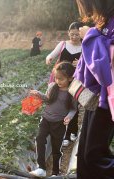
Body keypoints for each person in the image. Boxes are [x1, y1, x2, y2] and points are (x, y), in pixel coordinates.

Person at [74, 0, 114, 178]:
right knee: (84, 154)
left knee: (94, 156)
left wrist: (90, 35)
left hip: (107, 99)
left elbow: (103, 68)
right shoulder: (105, 21)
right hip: (97, 96)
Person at [29, 62, 77, 177]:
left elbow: (73, 109)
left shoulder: (72, 92)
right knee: (40, 138)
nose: (58, 81)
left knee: (56, 148)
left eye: (61, 79)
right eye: (56, 78)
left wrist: (69, 117)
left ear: (70, 78)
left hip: (59, 123)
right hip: (46, 119)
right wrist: (39, 94)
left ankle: (55, 172)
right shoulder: (52, 87)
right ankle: (41, 167)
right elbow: (47, 99)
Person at [46, 22, 83, 147]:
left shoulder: (85, 47)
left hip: (75, 81)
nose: (74, 37)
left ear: (81, 34)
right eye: (72, 34)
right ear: (68, 33)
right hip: (60, 81)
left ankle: (74, 130)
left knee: (73, 106)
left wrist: (80, 64)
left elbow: (89, 65)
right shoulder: (63, 44)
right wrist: (49, 58)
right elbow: (51, 54)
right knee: (61, 105)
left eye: (77, 35)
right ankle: (65, 135)